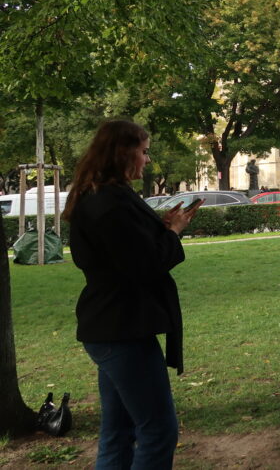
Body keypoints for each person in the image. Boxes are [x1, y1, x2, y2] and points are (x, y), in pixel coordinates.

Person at [65, 119, 203, 469]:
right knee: (158, 430)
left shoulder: (103, 195)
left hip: (113, 327)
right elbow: (144, 264)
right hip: (121, 329)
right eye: (143, 151)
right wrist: (172, 232)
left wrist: (161, 226)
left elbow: (129, 247)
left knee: (119, 429)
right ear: (123, 152)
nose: (147, 160)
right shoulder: (107, 202)